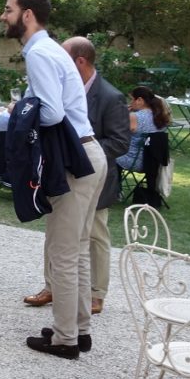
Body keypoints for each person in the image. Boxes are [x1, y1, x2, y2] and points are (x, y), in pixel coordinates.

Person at [0, 0, 107, 359]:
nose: (3, 16)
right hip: (89, 154)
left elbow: (51, 115)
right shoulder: (50, 50)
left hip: (74, 160)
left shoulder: (40, 54)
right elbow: (29, 115)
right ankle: (78, 330)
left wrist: (22, 111)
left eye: (8, 9)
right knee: (76, 250)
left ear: (27, 15)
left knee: (63, 251)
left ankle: (64, 339)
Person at [24, 37, 131, 315]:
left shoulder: (110, 96)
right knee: (56, 233)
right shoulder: (60, 89)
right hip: (62, 175)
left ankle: (95, 294)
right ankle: (53, 286)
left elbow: (120, 143)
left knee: (93, 237)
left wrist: (78, 152)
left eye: (63, 57)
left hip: (95, 176)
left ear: (79, 62)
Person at [116, 86, 171, 172]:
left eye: (132, 99)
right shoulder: (161, 116)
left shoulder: (134, 117)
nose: (130, 102)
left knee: (107, 154)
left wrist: (124, 113)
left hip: (133, 161)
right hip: (154, 161)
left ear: (140, 100)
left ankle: (114, 184)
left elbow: (116, 132)